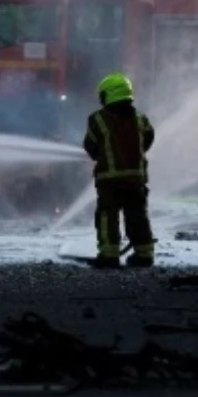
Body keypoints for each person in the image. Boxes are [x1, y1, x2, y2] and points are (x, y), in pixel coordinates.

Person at [82, 73, 155, 268]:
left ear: (109, 95)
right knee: (138, 215)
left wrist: (104, 156)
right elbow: (148, 140)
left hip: (109, 180)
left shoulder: (97, 120)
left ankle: (109, 255)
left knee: (107, 216)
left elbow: (90, 146)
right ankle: (145, 254)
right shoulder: (141, 119)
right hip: (136, 178)